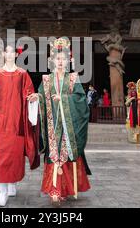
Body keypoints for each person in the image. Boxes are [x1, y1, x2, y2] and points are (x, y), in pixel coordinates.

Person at [31, 37, 91, 206]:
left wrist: (64, 99)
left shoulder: (73, 78)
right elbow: (43, 97)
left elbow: (81, 101)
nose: (60, 61)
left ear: (68, 60)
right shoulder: (46, 80)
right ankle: (55, 191)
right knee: (53, 155)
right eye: (57, 59)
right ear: (52, 60)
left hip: (68, 126)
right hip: (52, 125)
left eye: (63, 59)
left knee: (67, 154)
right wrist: (38, 97)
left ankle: (68, 188)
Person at [0, 45, 39, 207]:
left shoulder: (22, 74)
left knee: (15, 155)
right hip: (1, 122)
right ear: (3, 54)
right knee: (1, 156)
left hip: (17, 122)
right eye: (6, 52)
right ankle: (2, 192)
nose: (8, 54)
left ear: (16, 54)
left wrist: (33, 97)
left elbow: (29, 93)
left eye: (11, 52)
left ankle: (12, 183)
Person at [125, 79, 140, 143]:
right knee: (131, 127)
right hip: (131, 113)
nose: (133, 90)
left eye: (134, 89)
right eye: (131, 89)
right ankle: (132, 140)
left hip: (139, 113)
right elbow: (126, 104)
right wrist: (131, 99)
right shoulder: (129, 96)